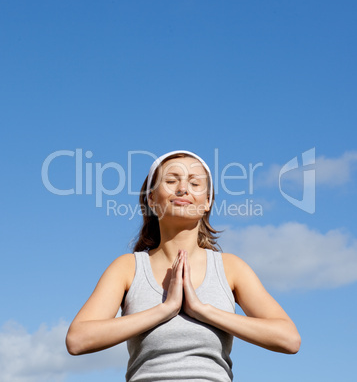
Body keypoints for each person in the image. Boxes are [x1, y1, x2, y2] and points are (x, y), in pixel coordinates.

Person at [66, 150, 301, 381]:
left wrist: (202, 310)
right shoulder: (127, 268)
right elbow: (78, 340)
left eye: (195, 183)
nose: (182, 189)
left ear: (207, 201)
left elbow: (289, 339)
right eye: (170, 180)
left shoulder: (231, 268)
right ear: (151, 199)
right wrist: (164, 310)